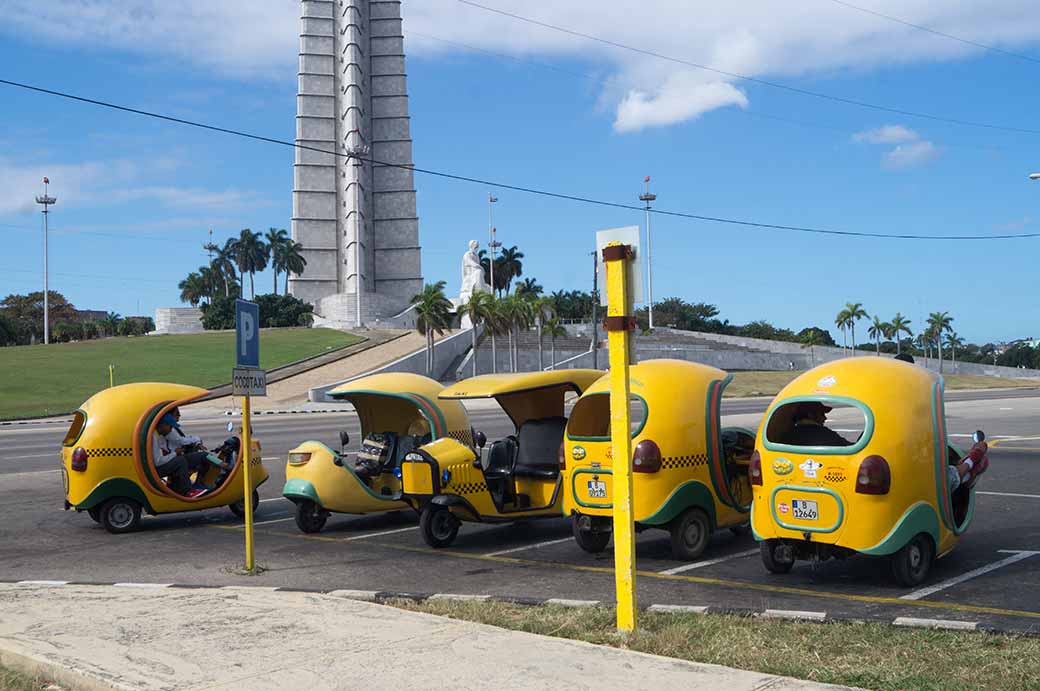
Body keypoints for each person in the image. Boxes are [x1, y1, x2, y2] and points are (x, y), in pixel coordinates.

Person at [153, 414, 205, 497]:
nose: (171, 430)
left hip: (158, 464)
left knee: (199, 456)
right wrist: (175, 453)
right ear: (162, 425)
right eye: (170, 426)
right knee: (180, 461)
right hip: (156, 468)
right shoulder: (154, 438)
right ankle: (187, 491)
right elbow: (158, 461)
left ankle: (194, 486)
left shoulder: (159, 435)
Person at [779, 402, 852, 447]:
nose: (825, 418)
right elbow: (848, 447)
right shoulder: (825, 434)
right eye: (821, 414)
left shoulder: (787, 436)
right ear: (811, 415)